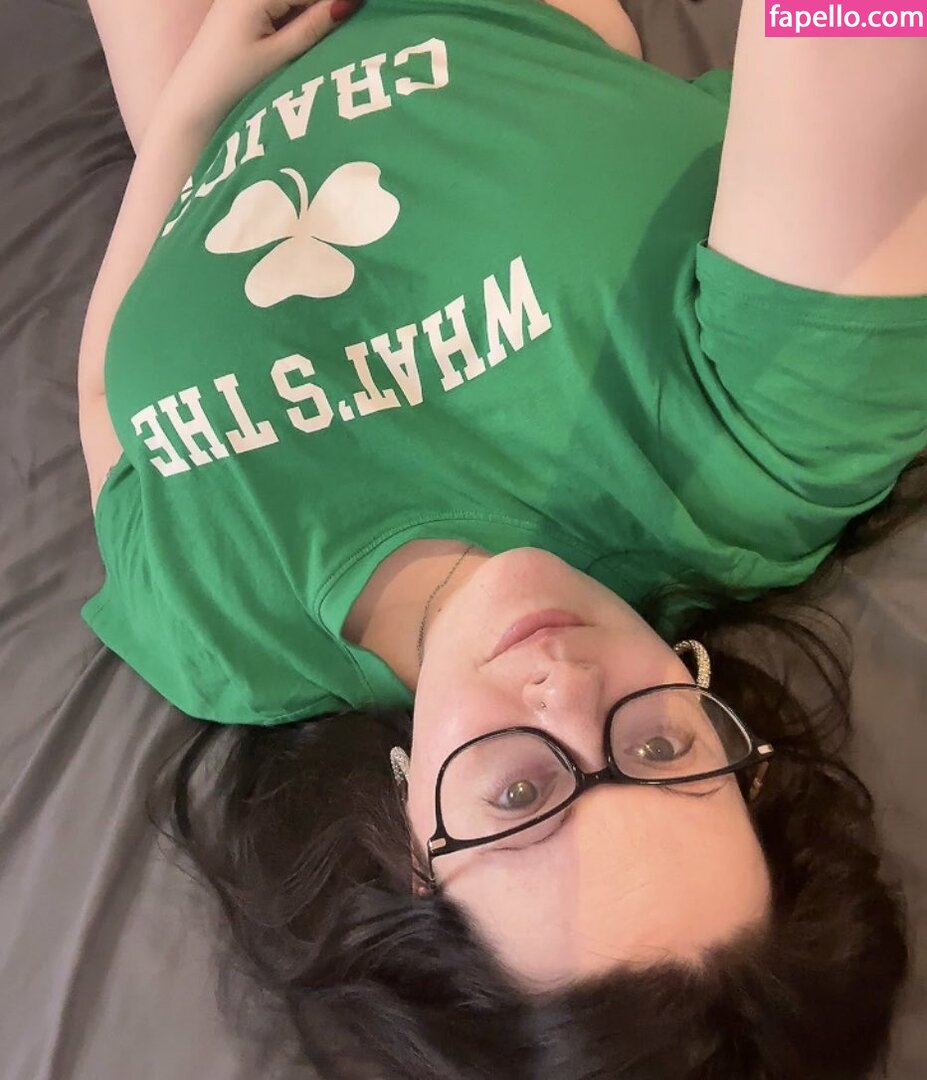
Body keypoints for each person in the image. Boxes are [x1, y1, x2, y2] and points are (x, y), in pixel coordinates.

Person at [78, 0, 927, 1075]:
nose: (565, 684)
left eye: (521, 797)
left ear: (415, 867)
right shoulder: (768, 442)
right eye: (661, 751)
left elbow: (107, 406)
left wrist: (188, 115)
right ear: (739, 755)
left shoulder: (216, 635)